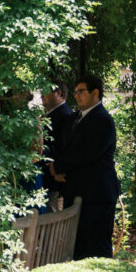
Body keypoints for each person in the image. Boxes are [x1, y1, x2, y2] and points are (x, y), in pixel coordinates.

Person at [51, 74, 120, 260]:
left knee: (96, 250)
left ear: (95, 92)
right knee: (76, 249)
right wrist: (55, 167)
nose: (76, 96)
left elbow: (87, 154)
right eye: (74, 92)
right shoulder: (74, 118)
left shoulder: (103, 120)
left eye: (80, 91)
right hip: (75, 191)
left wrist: (57, 166)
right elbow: (63, 147)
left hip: (97, 196)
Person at [41, 81, 74, 212]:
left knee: (52, 222)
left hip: (55, 179)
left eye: (45, 91)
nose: (41, 95)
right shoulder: (50, 114)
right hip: (47, 179)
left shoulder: (66, 115)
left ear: (58, 93)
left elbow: (64, 146)